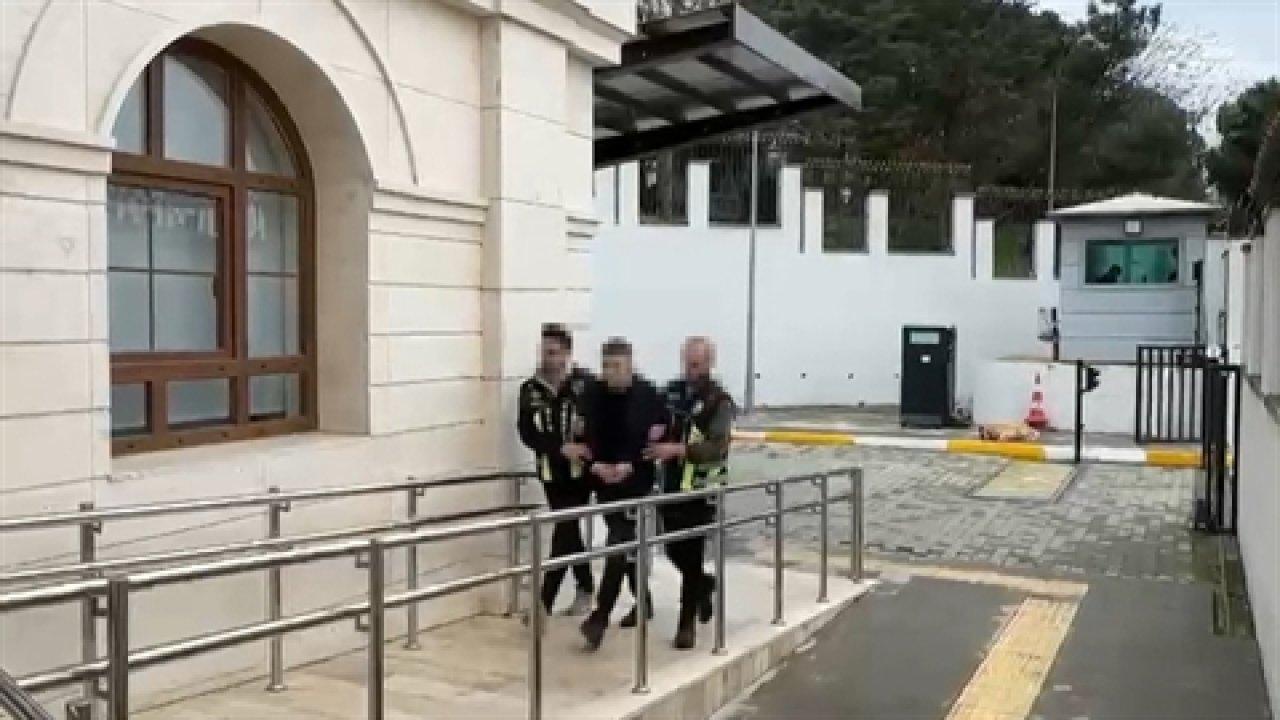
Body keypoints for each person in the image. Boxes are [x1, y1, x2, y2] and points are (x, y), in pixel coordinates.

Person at [645, 337, 735, 649]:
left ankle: (686, 626)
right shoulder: (671, 393)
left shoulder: (719, 401)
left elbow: (717, 445)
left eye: (697, 363)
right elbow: (654, 417)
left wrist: (679, 449)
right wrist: (654, 431)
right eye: (687, 362)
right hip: (670, 486)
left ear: (710, 363)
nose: (691, 369)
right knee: (672, 549)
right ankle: (704, 586)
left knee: (693, 554)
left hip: (700, 490)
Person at [578, 337, 665, 651]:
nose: (611, 372)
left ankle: (599, 617)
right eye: (607, 366)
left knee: (618, 544)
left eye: (617, 366)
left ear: (630, 365)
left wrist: (631, 463)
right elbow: (583, 436)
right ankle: (644, 602)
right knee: (627, 548)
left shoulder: (648, 395)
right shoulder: (592, 394)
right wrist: (595, 465)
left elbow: (656, 438)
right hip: (605, 482)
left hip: (636, 483)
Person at [516, 323, 594, 617]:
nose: (547, 358)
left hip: (580, 473)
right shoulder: (530, 390)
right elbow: (527, 432)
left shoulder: (584, 385)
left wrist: (585, 442)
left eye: (553, 352)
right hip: (551, 472)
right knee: (567, 530)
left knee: (566, 528)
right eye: (544, 352)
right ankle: (585, 586)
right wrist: (559, 448)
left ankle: (544, 602)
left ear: (566, 354)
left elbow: (599, 422)